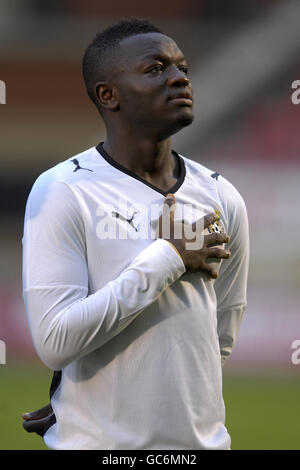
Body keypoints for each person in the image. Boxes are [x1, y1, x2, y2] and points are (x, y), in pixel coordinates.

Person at [22, 18, 249, 450]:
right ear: (109, 95)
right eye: (156, 68)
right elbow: (55, 342)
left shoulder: (221, 194)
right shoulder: (63, 190)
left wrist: (114, 398)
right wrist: (169, 257)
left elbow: (217, 337)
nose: (179, 77)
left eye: (181, 67)